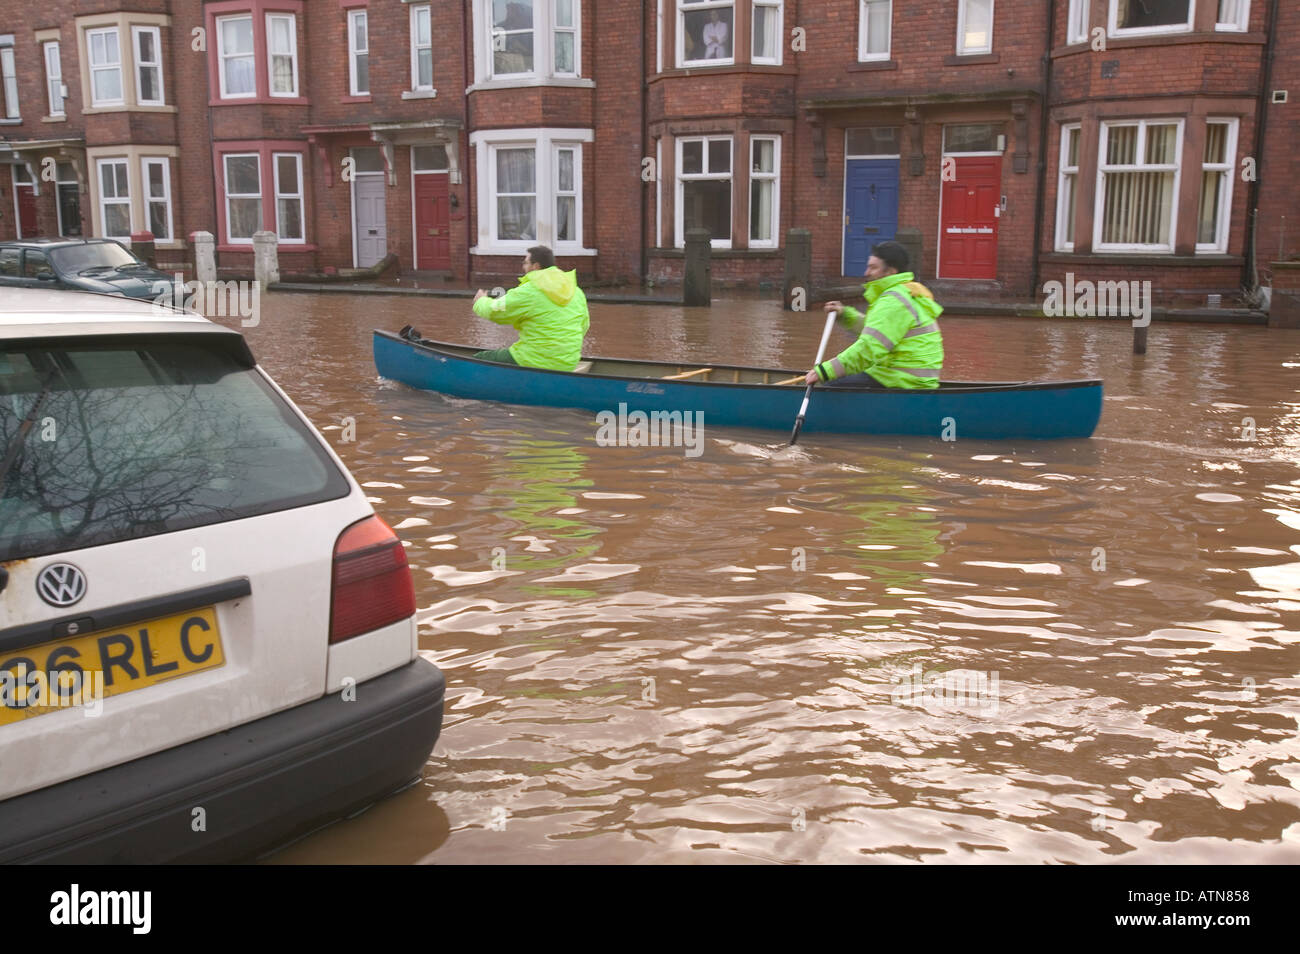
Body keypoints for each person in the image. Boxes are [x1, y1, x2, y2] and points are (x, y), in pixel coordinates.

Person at [804, 241, 943, 389]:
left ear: (890, 271)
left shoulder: (893, 301)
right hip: (910, 380)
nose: (866, 273)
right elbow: (878, 333)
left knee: (829, 386)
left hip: (902, 381)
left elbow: (869, 348)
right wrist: (845, 314)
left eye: (873, 267)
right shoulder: (907, 293)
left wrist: (826, 371)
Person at [471, 245, 589, 372]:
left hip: (534, 360)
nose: (523, 266)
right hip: (569, 362)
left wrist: (480, 301)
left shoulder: (530, 291)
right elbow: (584, 325)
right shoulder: (576, 292)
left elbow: (495, 312)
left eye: (525, 263)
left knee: (480, 358)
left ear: (536, 266)